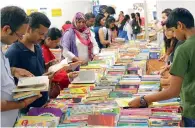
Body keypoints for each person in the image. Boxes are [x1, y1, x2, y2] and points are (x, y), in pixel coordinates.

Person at [129, 8, 195, 127]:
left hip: (192, 109)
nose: (174, 35)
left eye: (173, 31)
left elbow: (173, 91)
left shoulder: (183, 49)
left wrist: (144, 99)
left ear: (180, 25)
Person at [1, 6, 42, 127]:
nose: (20, 39)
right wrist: (23, 104)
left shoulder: (2, 46)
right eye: (19, 35)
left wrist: (13, 71)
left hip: (10, 119)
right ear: (7, 29)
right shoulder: (12, 49)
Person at [5, 12, 52, 110]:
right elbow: (10, 86)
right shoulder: (14, 52)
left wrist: (49, 68)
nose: (43, 38)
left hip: (42, 103)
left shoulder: (38, 47)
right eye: (41, 34)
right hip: (26, 108)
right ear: (29, 29)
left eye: (45, 34)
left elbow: (38, 70)